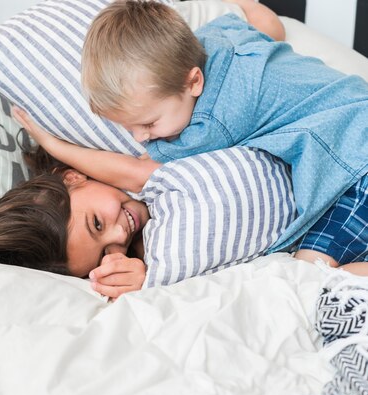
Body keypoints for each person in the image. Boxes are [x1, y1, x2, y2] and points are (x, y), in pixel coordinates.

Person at [26, 0, 368, 277]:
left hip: (357, 164)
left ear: (194, 83)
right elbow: (268, 24)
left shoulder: (210, 123)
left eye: (148, 123)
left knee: (307, 274)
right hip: (358, 118)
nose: (142, 138)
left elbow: (140, 172)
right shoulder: (217, 35)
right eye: (130, 130)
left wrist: (55, 145)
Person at [0, 141, 295, 298]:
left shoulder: (146, 147)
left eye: (96, 223)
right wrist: (144, 275)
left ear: (72, 177)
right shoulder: (158, 245)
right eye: (106, 253)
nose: (120, 235)